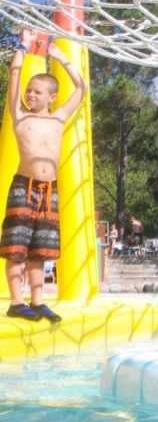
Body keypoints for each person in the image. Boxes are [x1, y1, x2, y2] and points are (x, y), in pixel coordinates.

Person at [0, 29, 85, 323]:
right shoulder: (20, 115)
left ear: (52, 97)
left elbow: (81, 89)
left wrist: (61, 58)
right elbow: (14, 75)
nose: (30, 94)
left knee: (40, 250)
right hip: (25, 187)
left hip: (50, 190)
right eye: (29, 91)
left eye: (37, 92)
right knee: (16, 247)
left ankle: (38, 302)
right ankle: (16, 301)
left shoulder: (59, 117)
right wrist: (22, 47)